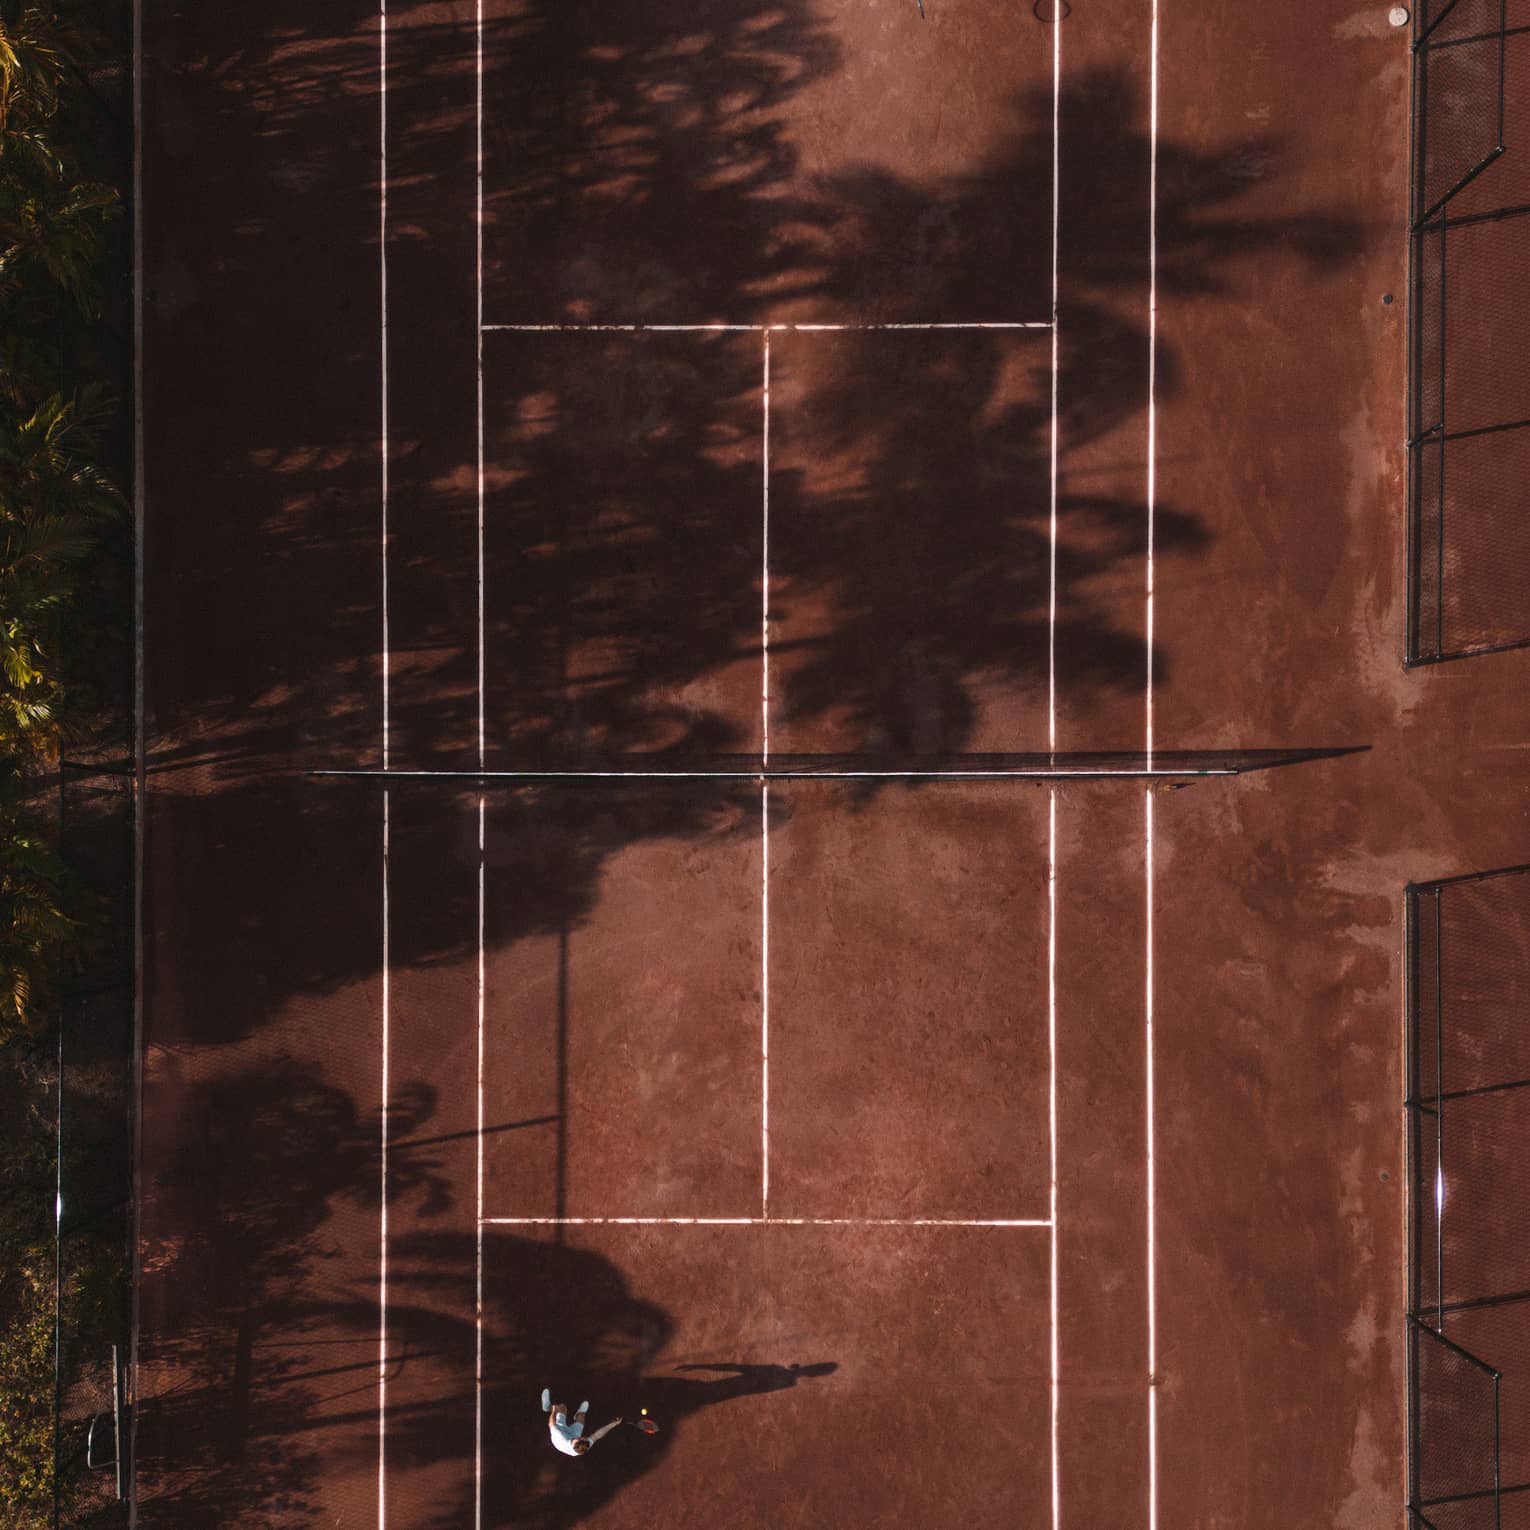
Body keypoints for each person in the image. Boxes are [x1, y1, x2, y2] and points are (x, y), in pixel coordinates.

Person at [541, 1388, 622, 1457]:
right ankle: (578, 1414)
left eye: (582, 1437)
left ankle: (547, 1407)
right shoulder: (584, 1445)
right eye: (585, 1438)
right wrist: (614, 1424)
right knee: (581, 1416)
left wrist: (554, 1410)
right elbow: (597, 1435)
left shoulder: (559, 1435)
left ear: (578, 1439)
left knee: (562, 1407)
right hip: (572, 1435)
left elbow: (551, 1423)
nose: (584, 1436)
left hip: (561, 1429)